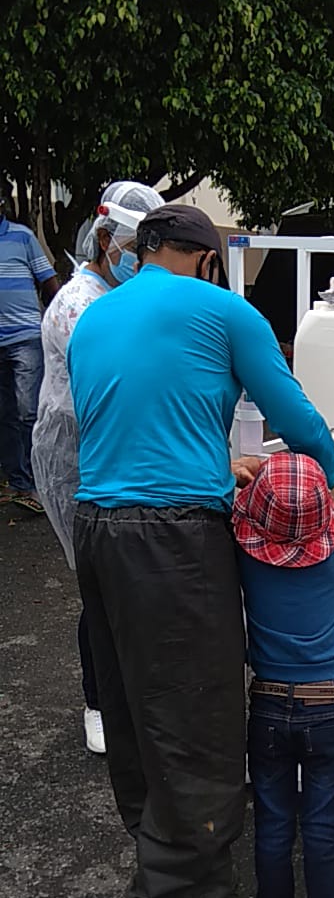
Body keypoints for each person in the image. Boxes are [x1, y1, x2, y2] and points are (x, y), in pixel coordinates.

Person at [67, 204, 334, 898]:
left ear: (142, 251)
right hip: (174, 545)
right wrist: (322, 481)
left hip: (98, 530)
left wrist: (222, 466)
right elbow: (298, 421)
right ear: (208, 258)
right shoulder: (227, 310)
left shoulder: (95, 315)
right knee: (195, 733)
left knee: (137, 725)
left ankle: (163, 892)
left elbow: (134, 421)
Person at [33, 180, 165, 755]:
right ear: (106, 239)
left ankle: (127, 695)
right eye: (134, 248)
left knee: (123, 583)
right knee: (100, 586)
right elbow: (112, 386)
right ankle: (98, 703)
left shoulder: (113, 296)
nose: (140, 260)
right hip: (76, 452)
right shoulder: (77, 305)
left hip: (111, 447)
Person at [234, 452, 334, 898]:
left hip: (267, 703)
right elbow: (325, 505)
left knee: (271, 821)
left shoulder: (243, 553)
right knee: (322, 828)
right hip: (326, 707)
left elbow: (238, 512)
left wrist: (238, 472)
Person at [0, 194, 59, 513]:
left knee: (28, 410)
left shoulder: (22, 237)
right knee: (5, 414)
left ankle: (39, 481)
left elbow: (48, 281)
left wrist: (57, 319)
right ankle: (19, 482)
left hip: (25, 337)